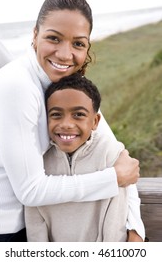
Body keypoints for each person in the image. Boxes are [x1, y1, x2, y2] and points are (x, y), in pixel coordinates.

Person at [0, 0, 140, 242]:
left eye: (78, 43)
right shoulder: (15, 85)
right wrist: (112, 178)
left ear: (87, 47)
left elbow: (120, 157)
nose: (64, 54)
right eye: (54, 38)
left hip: (37, 225)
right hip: (1, 232)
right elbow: (30, 190)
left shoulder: (67, 86)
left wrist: (134, 228)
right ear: (35, 35)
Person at [25, 73, 145, 242]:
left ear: (95, 121)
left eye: (78, 115)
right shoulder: (39, 159)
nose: (66, 124)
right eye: (56, 115)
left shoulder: (110, 153)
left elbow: (116, 216)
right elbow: (35, 223)